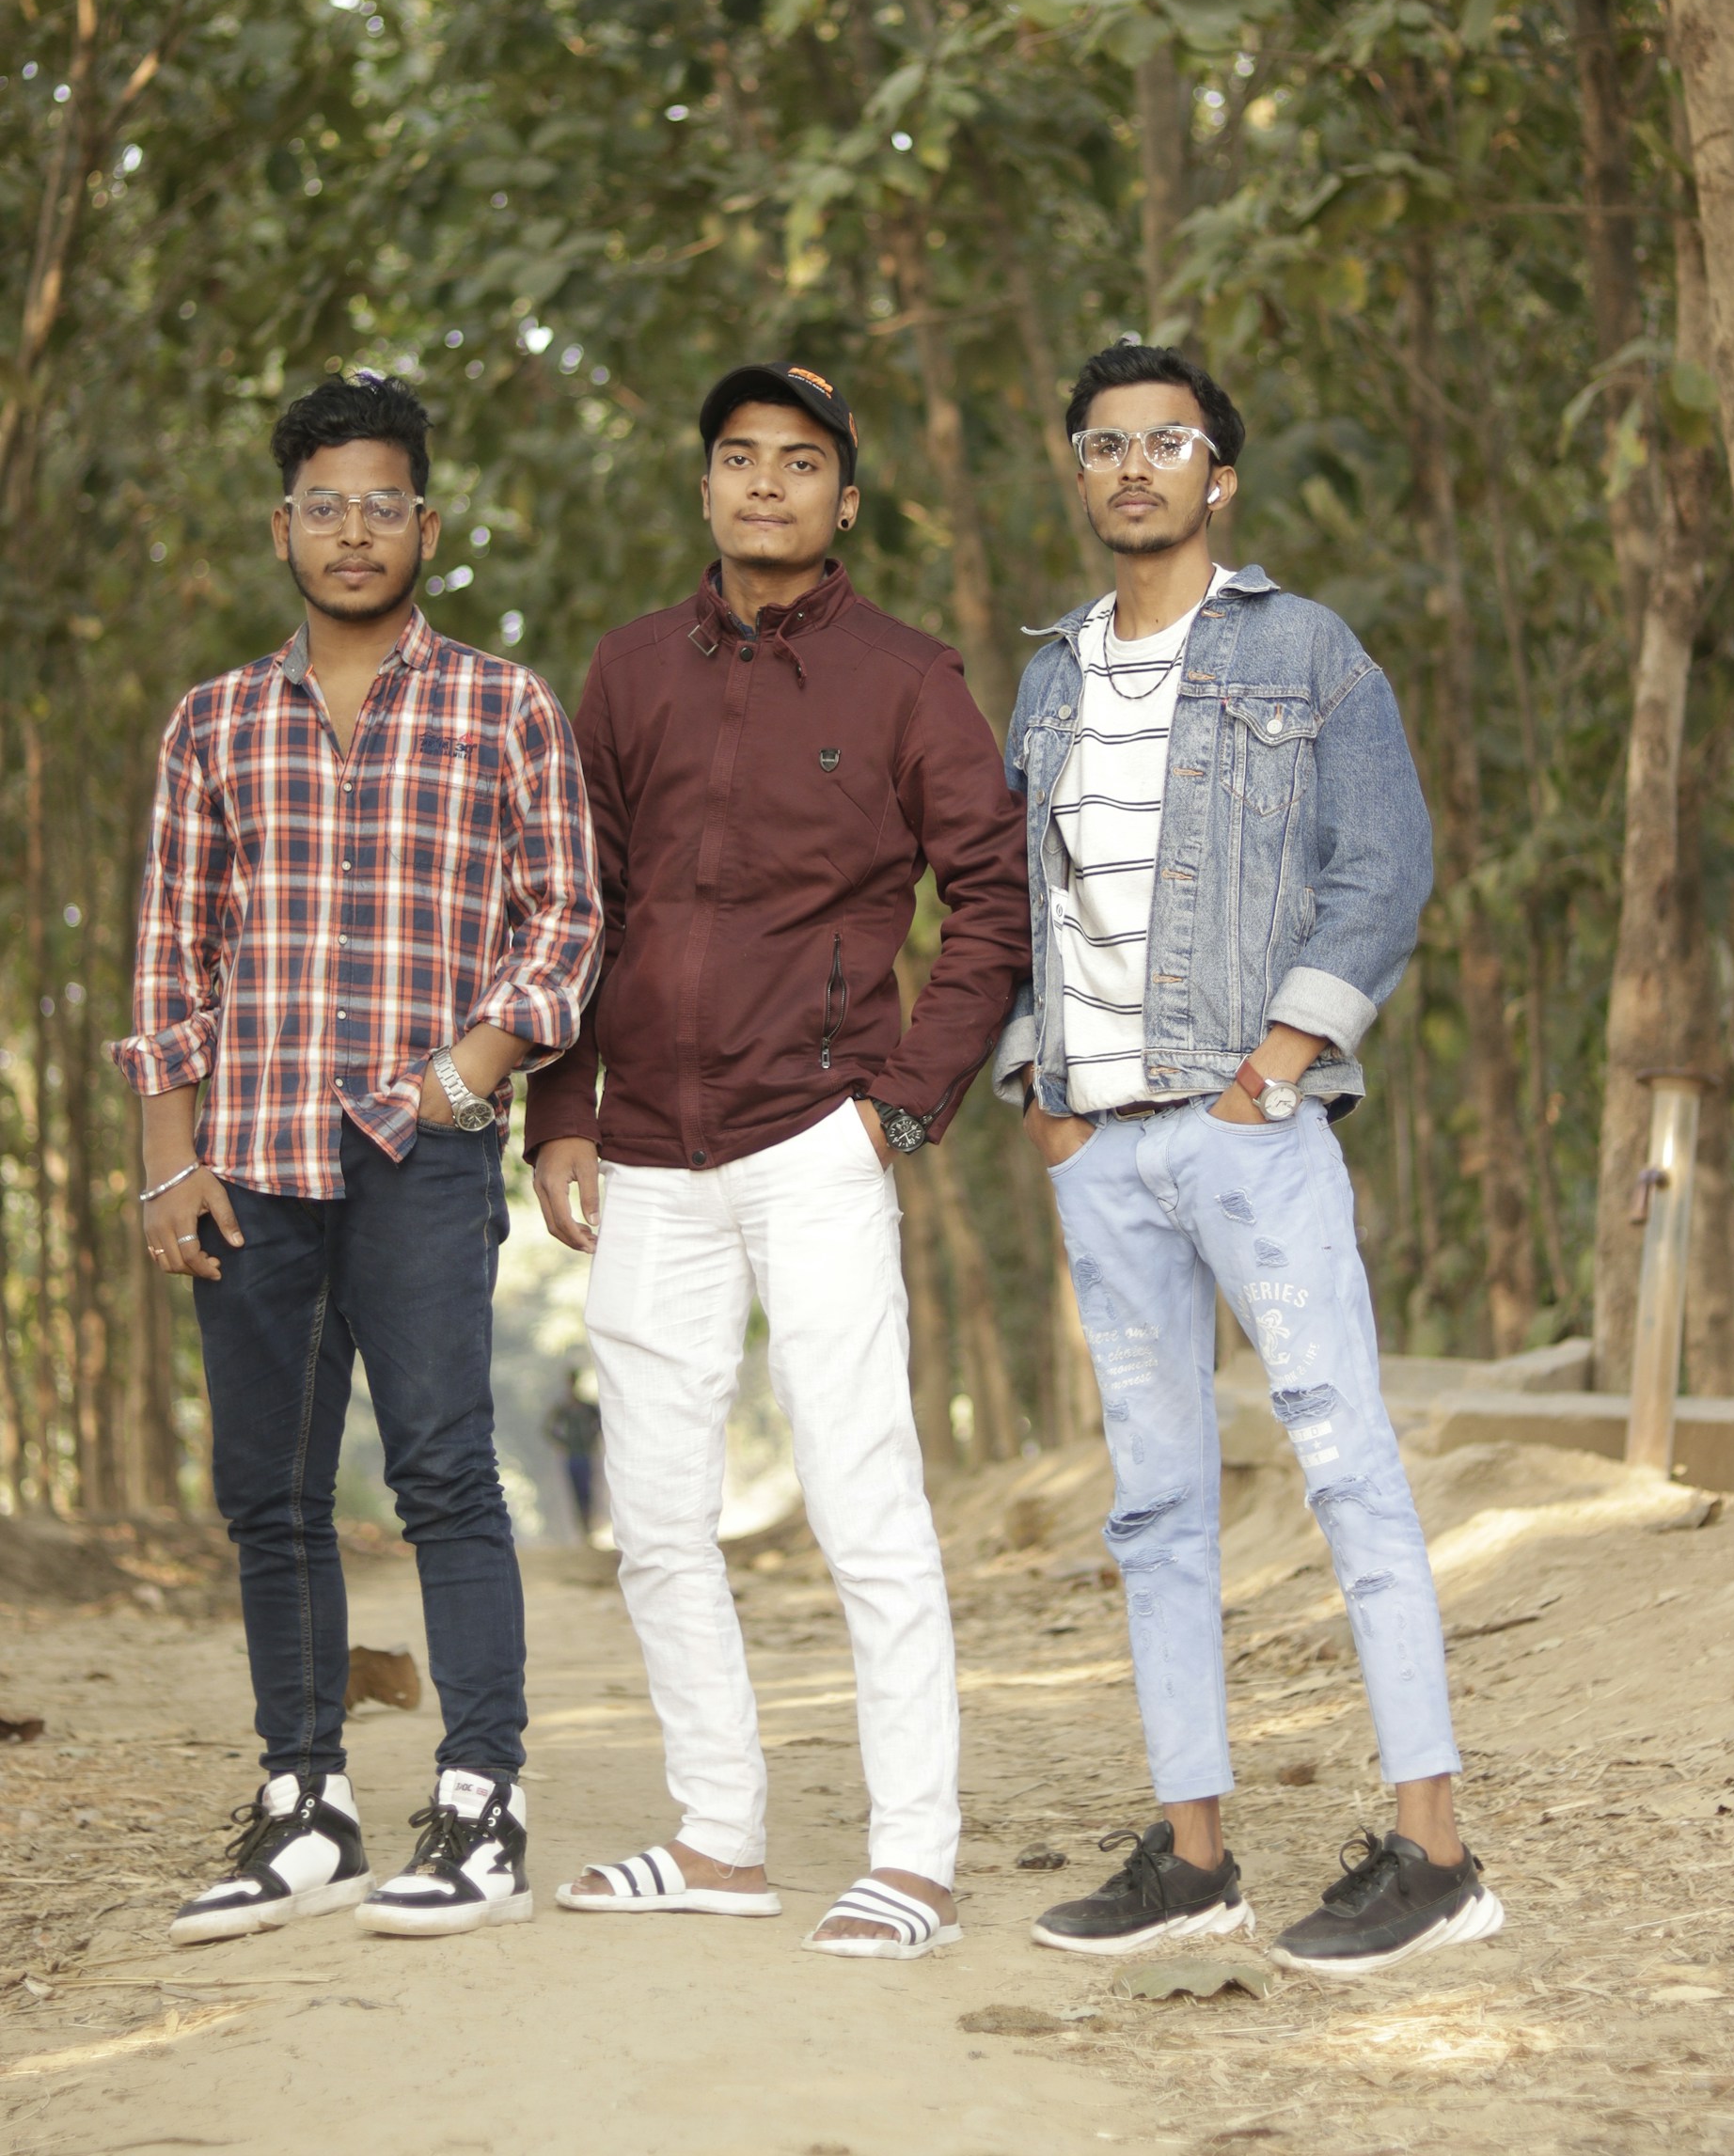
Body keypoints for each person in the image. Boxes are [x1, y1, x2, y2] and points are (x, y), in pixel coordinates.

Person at [998, 338, 1504, 1979]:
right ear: (1082, 474)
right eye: (1105, 443)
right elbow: (1012, 896)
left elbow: (1387, 864)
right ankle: (1193, 1858)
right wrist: (1041, 1089)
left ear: (1219, 475)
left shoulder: (1306, 651)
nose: (1133, 466)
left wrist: (1278, 1062)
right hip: (1103, 1147)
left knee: (1343, 1461)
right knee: (1155, 1507)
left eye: (1167, 441)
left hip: (1249, 1132)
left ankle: (1437, 1855)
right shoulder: (1051, 678)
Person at [528, 360, 1031, 1959]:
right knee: (657, 1518)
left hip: (815, 1135)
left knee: (861, 1493)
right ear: (705, 487)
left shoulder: (907, 679)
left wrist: (900, 1104)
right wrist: (561, 1108)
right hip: (645, 1155)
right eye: (739, 457)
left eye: (800, 462)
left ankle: (914, 1857)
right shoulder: (625, 672)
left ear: (845, 502)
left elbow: (993, 899)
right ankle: (719, 1837)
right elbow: (579, 903)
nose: (765, 483)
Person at [112, 372, 603, 1945]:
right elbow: (172, 955)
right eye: (324, 504)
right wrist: (166, 1161)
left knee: (446, 1472)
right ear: (283, 528)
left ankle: (481, 1801)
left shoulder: (503, 706)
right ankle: (304, 1802)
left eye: (381, 503)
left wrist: (462, 1080)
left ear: (426, 527)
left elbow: (567, 921)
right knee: (267, 1494)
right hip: (248, 1157)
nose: (352, 531)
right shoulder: (214, 722)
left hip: (421, 1158)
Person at [544, 1365, 603, 1538]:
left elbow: (601, 1424)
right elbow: (548, 1429)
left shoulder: (586, 1407)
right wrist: (563, 1444)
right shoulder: (564, 1407)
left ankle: (588, 1525)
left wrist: (591, 1440)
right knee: (577, 1492)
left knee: (587, 1490)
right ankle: (583, 1529)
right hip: (573, 1455)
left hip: (585, 1454)